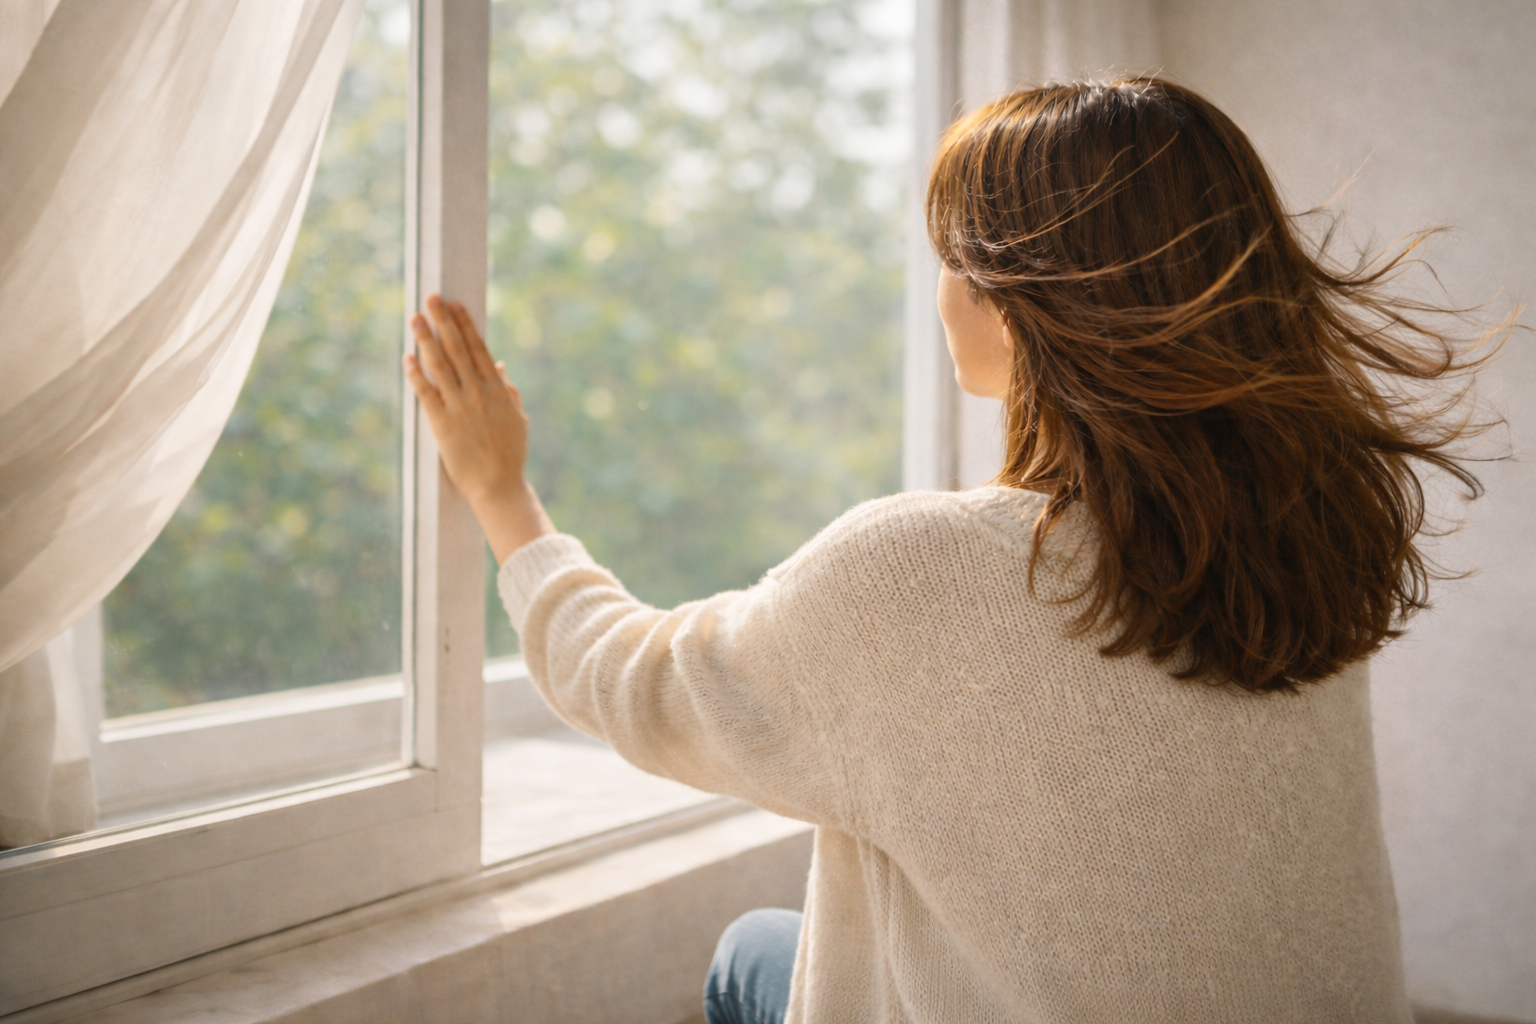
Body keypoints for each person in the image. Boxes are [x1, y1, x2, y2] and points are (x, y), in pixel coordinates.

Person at [403, 77, 1498, 1024]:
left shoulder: (918, 576)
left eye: (948, 257)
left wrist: (503, 494)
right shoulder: (1300, 539)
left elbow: (633, 683)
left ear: (1016, 308)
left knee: (750, 951)